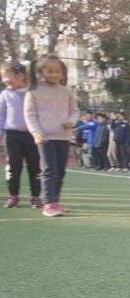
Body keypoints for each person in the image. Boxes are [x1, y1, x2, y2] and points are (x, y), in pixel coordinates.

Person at [24, 55, 79, 218]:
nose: (54, 74)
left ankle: (55, 201)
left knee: (60, 171)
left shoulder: (67, 91)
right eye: (50, 71)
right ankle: (47, 203)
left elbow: (74, 111)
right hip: (45, 137)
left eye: (57, 71)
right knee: (49, 170)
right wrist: (36, 132)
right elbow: (30, 115)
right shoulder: (33, 92)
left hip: (63, 136)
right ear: (41, 72)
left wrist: (71, 122)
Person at [1, 61, 42, 209]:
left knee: (35, 167)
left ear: (20, 76)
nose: (5, 80)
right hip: (13, 136)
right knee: (13, 166)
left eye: (7, 77)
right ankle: (13, 196)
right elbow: (1, 115)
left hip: (32, 135)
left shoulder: (33, 92)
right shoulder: (5, 94)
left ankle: (36, 197)